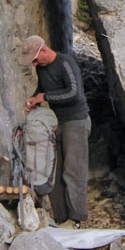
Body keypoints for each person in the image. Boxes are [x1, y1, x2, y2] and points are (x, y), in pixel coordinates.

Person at [20, 35, 90, 227]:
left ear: (43, 50)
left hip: (76, 121)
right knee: (54, 171)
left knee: (73, 171)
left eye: (35, 59)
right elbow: (41, 89)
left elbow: (74, 93)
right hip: (57, 123)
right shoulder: (41, 68)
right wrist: (35, 100)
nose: (34, 64)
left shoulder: (65, 63)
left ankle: (76, 219)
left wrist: (45, 96)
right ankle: (61, 218)